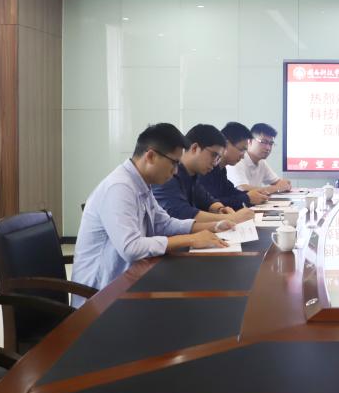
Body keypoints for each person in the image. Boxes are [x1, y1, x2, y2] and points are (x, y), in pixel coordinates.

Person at [72, 123, 229, 305]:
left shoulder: (141, 183)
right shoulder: (120, 187)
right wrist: (191, 239)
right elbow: (131, 248)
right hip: (99, 297)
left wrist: (213, 226)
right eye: (174, 163)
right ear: (151, 156)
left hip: (129, 280)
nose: (175, 171)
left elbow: (165, 223)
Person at [152, 123, 254, 223]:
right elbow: (182, 214)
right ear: (194, 148)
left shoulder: (192, 175)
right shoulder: (168, 173)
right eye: (214, 155)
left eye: (218, 157)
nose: (215, 163)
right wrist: (231, 218)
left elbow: (207, 200)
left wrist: (220, 209)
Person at [199, 122, 269, 209]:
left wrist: (254, 195)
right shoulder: (207, 169)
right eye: (241, 150)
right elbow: (211, 202)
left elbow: (231, 192)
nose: (243, 156)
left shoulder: (221, 169)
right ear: (226, 144)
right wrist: (247, 198)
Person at [226, 122, 291, 194]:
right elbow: (243, 189)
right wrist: (277, 188)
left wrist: (281, 186)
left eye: (271, 143)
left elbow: (281, 183)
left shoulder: (261, 162)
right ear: (250, 141)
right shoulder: (237, 160)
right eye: (263, 142)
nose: (268, 148)